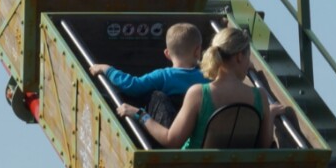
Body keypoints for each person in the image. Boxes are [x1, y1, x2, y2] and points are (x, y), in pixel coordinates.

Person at [116, 26, 280, 149]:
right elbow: (264, 146)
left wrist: (140, 115)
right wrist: (270, 114)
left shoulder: (199, 93)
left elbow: (172, 140)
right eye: (248, 58)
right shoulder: (260, 96)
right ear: (239, 57)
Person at [89, 22, 207, 98]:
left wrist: (107, 69)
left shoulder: (163, 76)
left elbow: (133, 86)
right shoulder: (207, 77)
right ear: (198, 51)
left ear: (167, 54)